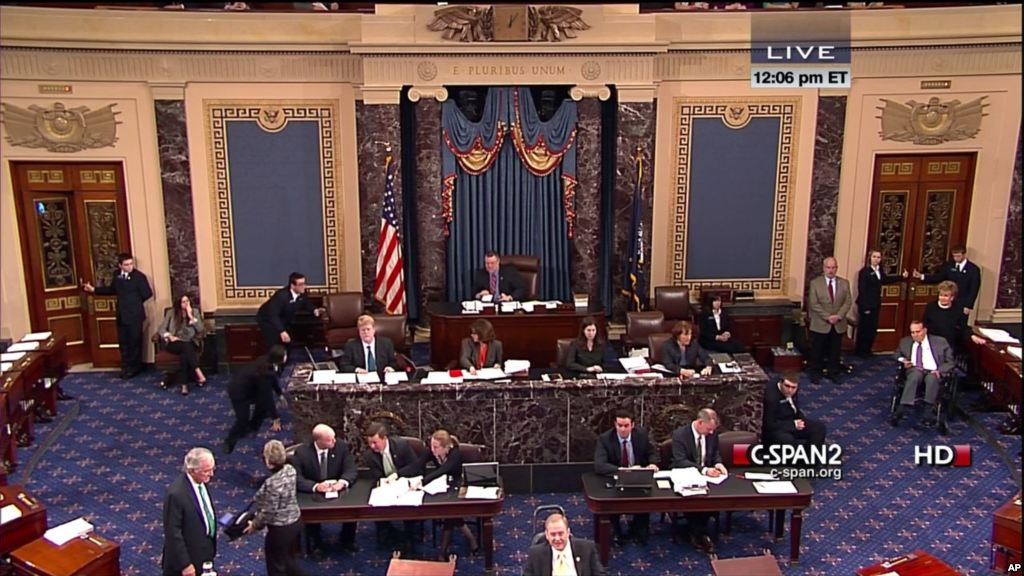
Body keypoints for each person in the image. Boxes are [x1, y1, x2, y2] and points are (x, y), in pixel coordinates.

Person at [82, 252, 153, 379]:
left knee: (134, 342)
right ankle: (125, 367)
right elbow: (111, 289)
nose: (130, 267)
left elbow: (147, 294)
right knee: (123, 342)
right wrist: (94, 290)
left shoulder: (139, 277)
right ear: (120, 265)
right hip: (121, 315)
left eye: (131, 264)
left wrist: (134, 302)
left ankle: (134, 368)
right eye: (126, 265)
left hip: (135, 315)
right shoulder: (117, 276)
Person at [291, 424, 358, 555]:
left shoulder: (341, 446)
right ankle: (316, 543)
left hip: (337, 489)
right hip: (314, 493)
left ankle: (347, 540)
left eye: (334, 438)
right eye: (329, 440)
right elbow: (297, 478)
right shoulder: (302, 453)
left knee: (353, 507)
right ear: (318, 441)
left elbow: (351, 469)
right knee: (311, 512)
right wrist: (316, 486)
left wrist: (342, 482)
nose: (334, 441)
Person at [593, 409, 657, 545]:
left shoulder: (641, 435)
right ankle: (616, 532)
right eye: (619, 425)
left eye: (626, 426)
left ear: (632, 425)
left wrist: (652, 463)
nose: (622, 429)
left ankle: (638, 531)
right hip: (615, 478)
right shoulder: (605, 439)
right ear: (615, 424)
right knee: (612, 502)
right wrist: (621, 470)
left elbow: (652, 452)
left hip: (639, 477)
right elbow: (599, 465)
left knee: (646, 499)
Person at [412, 430, 478, 561]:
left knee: (450, 512)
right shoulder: (432, 451)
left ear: (446, 447)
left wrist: (423, 481)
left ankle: (443, 552)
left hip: (458, 485)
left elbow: (444, 469)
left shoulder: (455, 454)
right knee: (449, 511)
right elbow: (417, 464)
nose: (432, 449)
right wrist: (397, 475)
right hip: (441, 485)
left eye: (436, 447)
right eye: (431, 446)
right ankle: (470, 539)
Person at [243, 440, 305, 576]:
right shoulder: (290, 470)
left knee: (275, 566)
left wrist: (255, 525)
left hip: (280, 529)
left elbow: (269, 512)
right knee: (287, 559)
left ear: (268, 461)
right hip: (295, 521)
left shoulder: (272, 483)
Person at [670, 408, 726, 555]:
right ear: (700, 423)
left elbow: (715, 454)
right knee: (697, 498)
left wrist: (718, 463)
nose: (712, 433)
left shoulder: (711, 435)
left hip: (709, 478)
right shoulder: (680, 435)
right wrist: (704, 470)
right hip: (686, 476)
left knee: (714, 497)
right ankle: (700, 534)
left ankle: (699, 532)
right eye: (709, 429)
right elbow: (680, 461)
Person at [363, 422, 420, 551]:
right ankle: (386, 535)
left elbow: (415, 466)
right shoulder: (370, 455)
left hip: (406, 483)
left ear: (384, 438)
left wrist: (397, 475)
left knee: (408, 506)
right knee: (377, 503)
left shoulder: (402, 446)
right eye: (369, 443)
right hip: (387, 487)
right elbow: (376, 476)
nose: (372, 446)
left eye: (375, 442)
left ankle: (409, 538)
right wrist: (384, 482)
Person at [162, 447, 217, 576]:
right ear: (192, 470)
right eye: (206, 471)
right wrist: (185, 564)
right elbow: (173, 533)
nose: (211, 474)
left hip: (203, 554)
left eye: (212, 469)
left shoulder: (202, 483)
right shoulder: (176, 494)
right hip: (185, 563)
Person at [223, 345, 286, 454]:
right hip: (239, 392)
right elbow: (267, 397)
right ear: (278, 358)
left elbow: (273, 380)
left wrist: (280, 394)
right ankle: (229, 441)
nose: (287, 356)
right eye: (285, 355)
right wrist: (275, 418)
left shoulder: (268, 362)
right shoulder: (264, 372)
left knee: (262, 406)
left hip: (252, 388)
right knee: (242, 419)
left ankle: (252, 428)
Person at [891, 320, 955, 427]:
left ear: (925, 330)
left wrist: (940, 370)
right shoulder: (905, 341)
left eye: (918, 332)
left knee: (932, 378)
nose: (915, 335)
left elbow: (950, 362)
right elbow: (896, 354)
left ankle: (928, 411)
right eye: (912, 332)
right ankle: (903, 407)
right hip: (915, 369)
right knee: (915, 375)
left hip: (933, 370)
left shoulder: (940, 342)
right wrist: (903, 360)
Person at [807, 256, 852, 384]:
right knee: (817, 350)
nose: (831, 270)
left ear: (836, 268)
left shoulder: (844, 283)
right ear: (824, 268)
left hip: (838, 323)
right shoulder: (815, 283)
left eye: (833, 268)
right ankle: (816, 373)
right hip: (821, 323)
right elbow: (814, 303)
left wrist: (838, 316)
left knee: (835, 350)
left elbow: (848, 302)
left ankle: (833, 372)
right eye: (828, 267)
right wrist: (828, 317)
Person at [855, 249, 907, 357]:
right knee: (864, 328)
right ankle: (861, 351)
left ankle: (868, 350)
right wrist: (865, 307)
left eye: (878, 257)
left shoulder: (879, 270)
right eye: (874, 257)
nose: (876, 259)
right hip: (866, 305)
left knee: (872, 328)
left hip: (875, 304)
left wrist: (901, 277)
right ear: (870, 258)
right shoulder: (864, 272)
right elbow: (862, 290)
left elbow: (885, 280)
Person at [522, 512, 605, 576]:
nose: (557, 539)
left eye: (561, 533)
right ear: (547, 535)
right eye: (553, 534)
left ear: (568, 532)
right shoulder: (536, 554)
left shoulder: (587, 548)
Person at [256, 272, 324, 349]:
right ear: (292, 285)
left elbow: (306, 303)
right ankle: (275, 359)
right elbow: (273, 315)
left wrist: (314, 310)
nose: (304, 287)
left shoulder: (302, 293)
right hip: (268, 320)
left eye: (304, 283)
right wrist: (282, 331)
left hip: (283, 319)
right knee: (275, 344)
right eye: (301, 284)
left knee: (289, 343)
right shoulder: (281, 296)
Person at [157, 293, 206, 395]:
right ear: (179, 303)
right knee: (185, 346)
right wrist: (169, 336)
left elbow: (201, 329)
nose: (186, 304)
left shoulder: (194, 312)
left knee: (185, 353)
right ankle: (198, 372)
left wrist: (190, 316)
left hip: (190, 342)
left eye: (187, 301)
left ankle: (184, 386)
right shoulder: (171, 313)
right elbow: (162, 328)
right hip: (175, 343)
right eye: (183, 302)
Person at [913, 245, 981, 317]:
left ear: (964, 254)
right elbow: (939, 276)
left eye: (958, 256)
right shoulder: (949, 265)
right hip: (948, 302)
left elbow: (974, 289)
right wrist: (922, 276)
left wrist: (968, 305)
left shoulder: (973, 269)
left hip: (962, 303)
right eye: (954, 256)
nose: (956, 258)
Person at [762, 372, 827, 447]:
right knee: (787, 440)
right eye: (787, 386)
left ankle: (809, 456)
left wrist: (801, 420)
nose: (790, 390)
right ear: (781, 383)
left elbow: (794, 407)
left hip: (792, 421)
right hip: (777, 429)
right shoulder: (771, 398)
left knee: (819, 428)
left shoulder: (792, 391)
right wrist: (793, 425)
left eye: (793, 387)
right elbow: (769, 425)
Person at [922, 281, 969, 355]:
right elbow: (924, 324)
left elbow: (963, 326)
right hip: (932, 343)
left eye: (946, 296)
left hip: (949, 344)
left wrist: (972, 335)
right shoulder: (931, 307)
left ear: (952, 297)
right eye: (941, 295)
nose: (942, 298)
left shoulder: (958, 308)